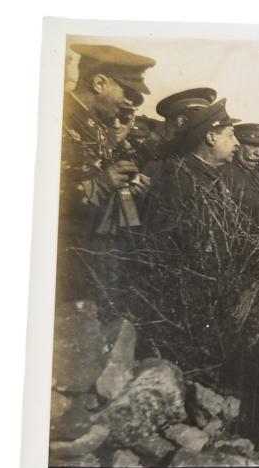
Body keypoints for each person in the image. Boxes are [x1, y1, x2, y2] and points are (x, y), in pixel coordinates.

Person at [58, 43, 156, 302]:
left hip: (95, 259)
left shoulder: (98, 128)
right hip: (63, 264)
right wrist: (100, 185)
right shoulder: (55, 118)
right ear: (99, 82)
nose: (130, 103)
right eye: (128, 92)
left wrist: (131, 192)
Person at [142, 98, 241, 249]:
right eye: (230, 135)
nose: (237, 142)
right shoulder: (177, 178)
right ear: (211, 137)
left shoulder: (209, 174)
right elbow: (157, 246)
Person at [220, 123, 259, 226]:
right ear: (237, 145)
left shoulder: (254, 173)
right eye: (252, 145)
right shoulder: (225, 173)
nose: (258, 153)